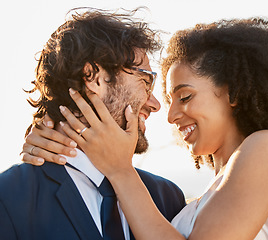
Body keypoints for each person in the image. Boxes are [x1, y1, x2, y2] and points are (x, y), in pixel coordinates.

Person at [21, 17, 268, 240]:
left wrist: (120, 171)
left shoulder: (266, 147)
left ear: (232, 93)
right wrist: (55, 134)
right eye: (170, 100)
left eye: (186, 96)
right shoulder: (183, 205)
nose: (171, 115)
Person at [0, 8, 186, 240]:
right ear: (94, 77)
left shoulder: (167, 198)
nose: (156, 104)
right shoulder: (9, 197)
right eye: (145, 80)